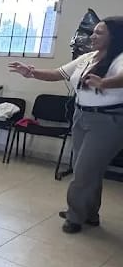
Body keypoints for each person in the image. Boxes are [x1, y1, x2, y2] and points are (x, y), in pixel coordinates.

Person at [9, 16, 123, 234]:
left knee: (84, 170)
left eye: (99, 33)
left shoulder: (120, 57)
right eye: (93, 32)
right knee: (90, 169)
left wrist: (105, 82)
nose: (92, 36)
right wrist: (31, 72)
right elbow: (58, 73)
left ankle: (75, 216)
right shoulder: (88, 57)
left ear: (114, 37)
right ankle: (89, 213)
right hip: (82, 116)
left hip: (108, 121)